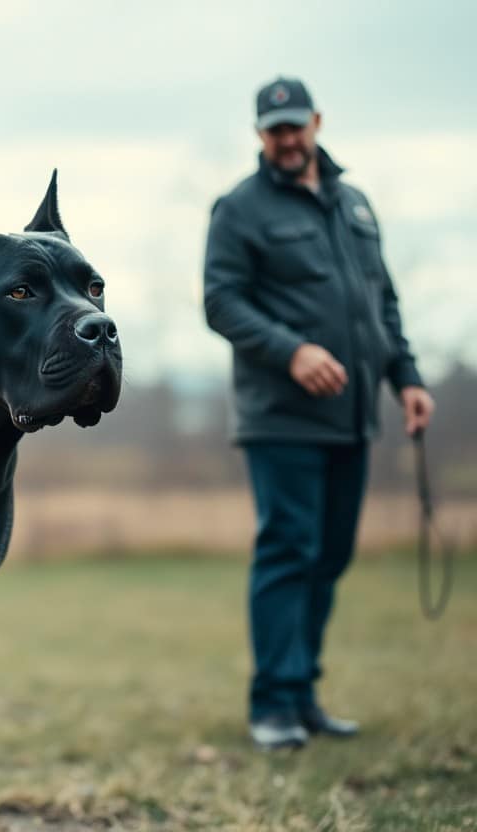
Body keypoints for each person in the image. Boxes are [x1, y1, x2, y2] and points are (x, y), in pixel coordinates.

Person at [203, 76, 435, 750]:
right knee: (288, 552)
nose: (287, 138)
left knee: (329, 557)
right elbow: (221, 301)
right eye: (274, 129)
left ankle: (303, 696)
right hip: (280, 416)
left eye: (296, 126)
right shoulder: (239, 210)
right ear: (259, 135)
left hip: (353, 415)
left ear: (317, 124)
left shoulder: (353, 204)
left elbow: (380, 304)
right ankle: (271, 705)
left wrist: (407, 377)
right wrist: (292, 351)